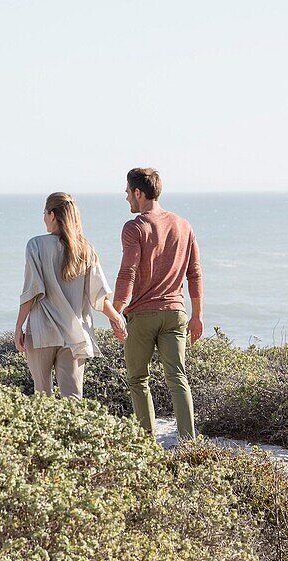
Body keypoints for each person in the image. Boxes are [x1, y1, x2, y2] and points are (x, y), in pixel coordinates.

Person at [113, 167, 203, 441]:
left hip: (142, 314)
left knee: (138, 380)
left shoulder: (135, 227)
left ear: (139, 193)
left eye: (128, 192)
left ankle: (147, 443)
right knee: (178, 379)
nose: (127, 198)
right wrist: (197, 315)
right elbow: (194, 272)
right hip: (176, 313)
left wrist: (116, 311)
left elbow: (128, 271)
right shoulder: (184, 225)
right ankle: (189, 443)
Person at [15, 192, 127, 398]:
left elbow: (31, 292)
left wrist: (18, 327)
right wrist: (117, 319)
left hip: (42, 332)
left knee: (42, 397)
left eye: (44, 213)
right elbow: (99, 296)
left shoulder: (35, 245)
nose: (43, 218)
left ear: (51, 215)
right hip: (74, 334)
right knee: (73, 399)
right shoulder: (85, 248)